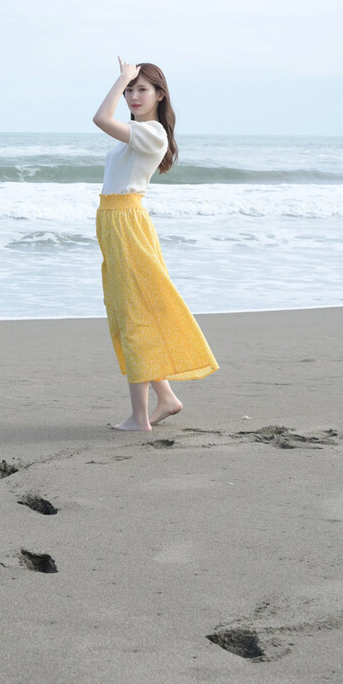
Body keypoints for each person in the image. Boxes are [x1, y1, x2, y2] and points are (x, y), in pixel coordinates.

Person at [93, 57, 218, 431]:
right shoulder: (136, 132)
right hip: (116, 224)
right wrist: (126, 81)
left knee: (135, 318)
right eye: (130, 89)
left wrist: (120, 78)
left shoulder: (152, 133)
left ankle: (139, 417)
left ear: (160, 95)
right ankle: (166, 398)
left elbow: (100, 118)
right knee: (130, 311)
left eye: (140, 89)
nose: (133, 95)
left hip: (127, 224)